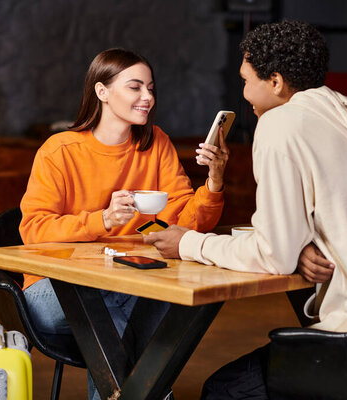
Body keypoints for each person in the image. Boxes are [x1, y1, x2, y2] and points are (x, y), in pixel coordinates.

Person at [144, 21, 347, 399]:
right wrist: (300, 244)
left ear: (277, 82)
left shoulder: (280, 124)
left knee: (225, 390)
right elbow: (335, 211)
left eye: (247, 80)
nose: (243, 91)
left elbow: (273, 256)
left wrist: (188, 243)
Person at [18, 48, 229, 400]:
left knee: (144, 311)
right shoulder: (60, 151)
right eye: (135, 87)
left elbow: (185, 223)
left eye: (150, 88)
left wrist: (215, 180)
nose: (148, 97)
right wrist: (100, 220)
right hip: (55, 288)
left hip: (127, 281)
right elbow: (33, 230)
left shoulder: (155, 144)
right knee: (137, 312)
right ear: (102, 91)